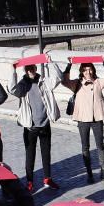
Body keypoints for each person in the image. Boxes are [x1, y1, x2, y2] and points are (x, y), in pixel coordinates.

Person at [9, 56, 62, 192]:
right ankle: (30, 181)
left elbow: (58, 78)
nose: (30, 71)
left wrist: (51, 62)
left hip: (44, 124)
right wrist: (12, 70)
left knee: (46, 153)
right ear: (25, 70)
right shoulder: (22, 84)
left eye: (32, 68)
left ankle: (47, 179)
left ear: (36, 68)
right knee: (30, 154)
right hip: (30, 126)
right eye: (27, 69)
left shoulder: (43, 82)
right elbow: (12, 89)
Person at [62, 60, 104, 183]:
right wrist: (69, 65)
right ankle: (89, 173)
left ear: (93, 70)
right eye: (84, 70)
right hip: (83, 119)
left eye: (90, 69)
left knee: (100, 145)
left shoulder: (98, 82)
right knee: (85, 147)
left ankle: (103, 171)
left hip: (97, 118)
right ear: (81, 72)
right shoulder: (77, 83)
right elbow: (64, 81)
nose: (87, 72)